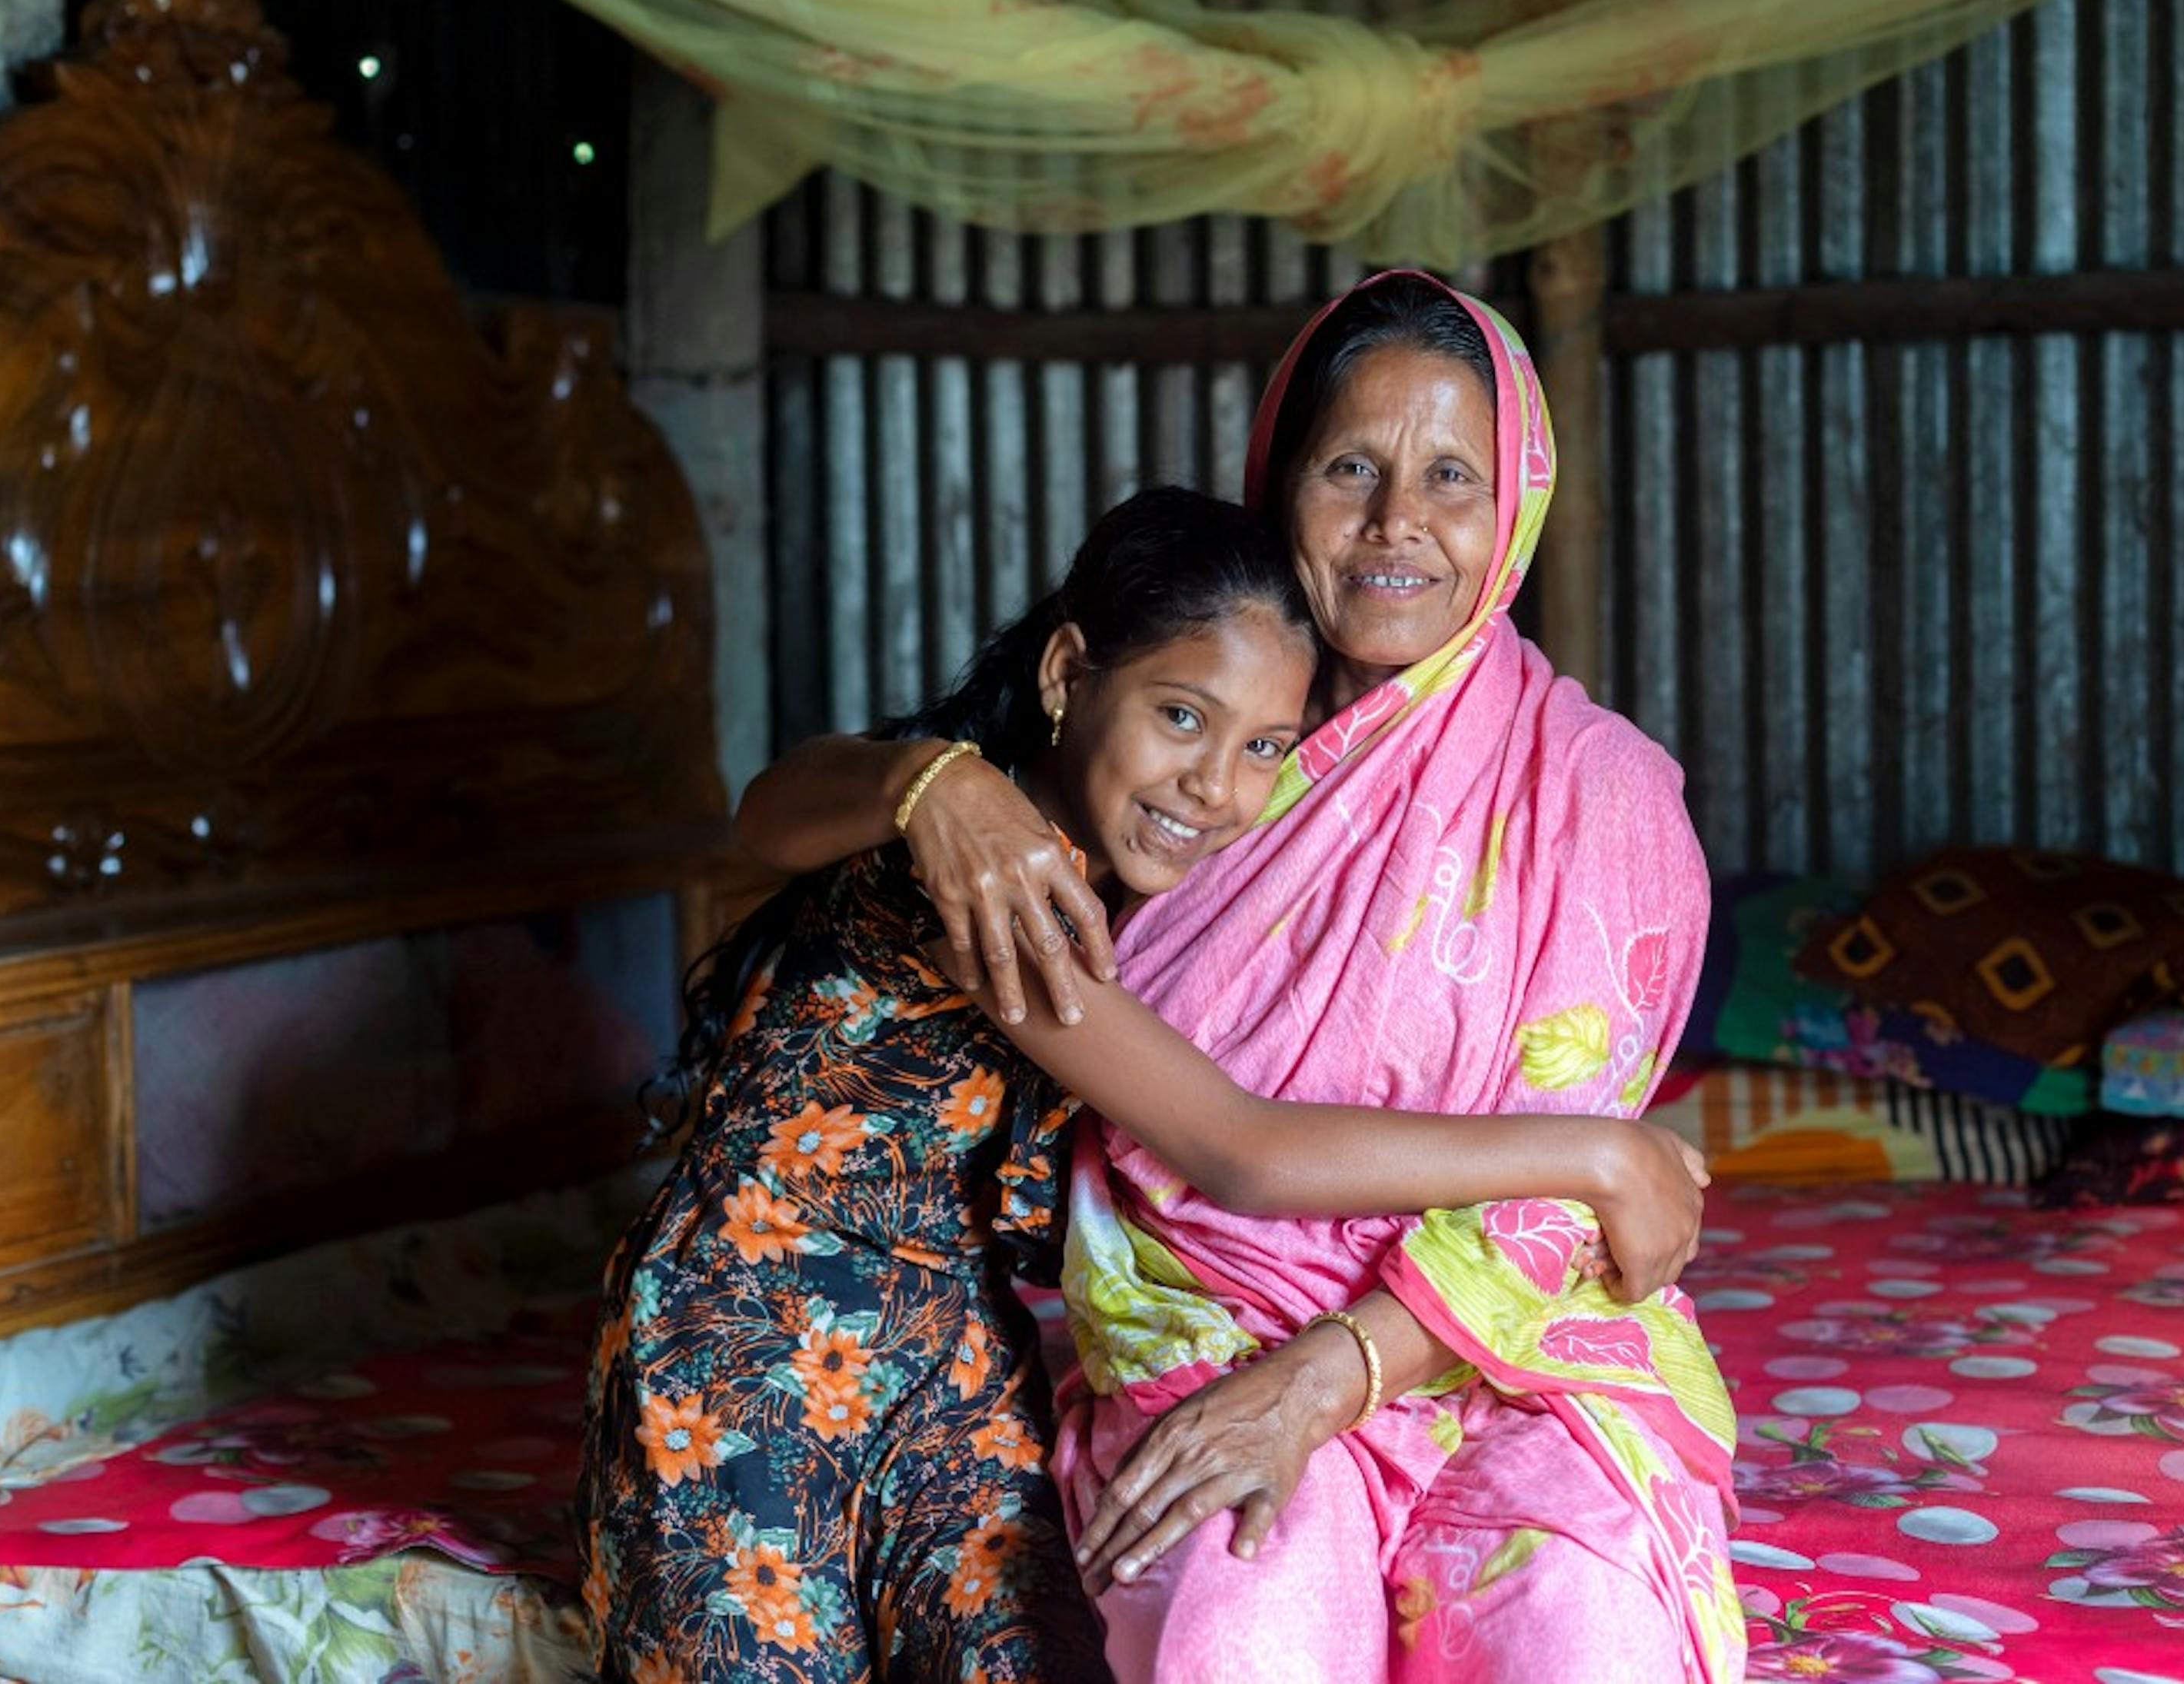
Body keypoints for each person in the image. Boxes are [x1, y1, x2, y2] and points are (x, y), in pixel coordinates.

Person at [735, 274, 1742, 1682]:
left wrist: (1336, 1376)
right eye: (1352, 469)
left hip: (1507, 1358)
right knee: (1247, 1622)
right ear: (1280, 483)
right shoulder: (1191, 769)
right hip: (1200, 1327)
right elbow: (1234, 1148)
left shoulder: (1598, 799)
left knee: (1582, 1638)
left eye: (1453, 474)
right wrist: (930, 782)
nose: (1399, 520)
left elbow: (1543, 1226)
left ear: (1517, 502)